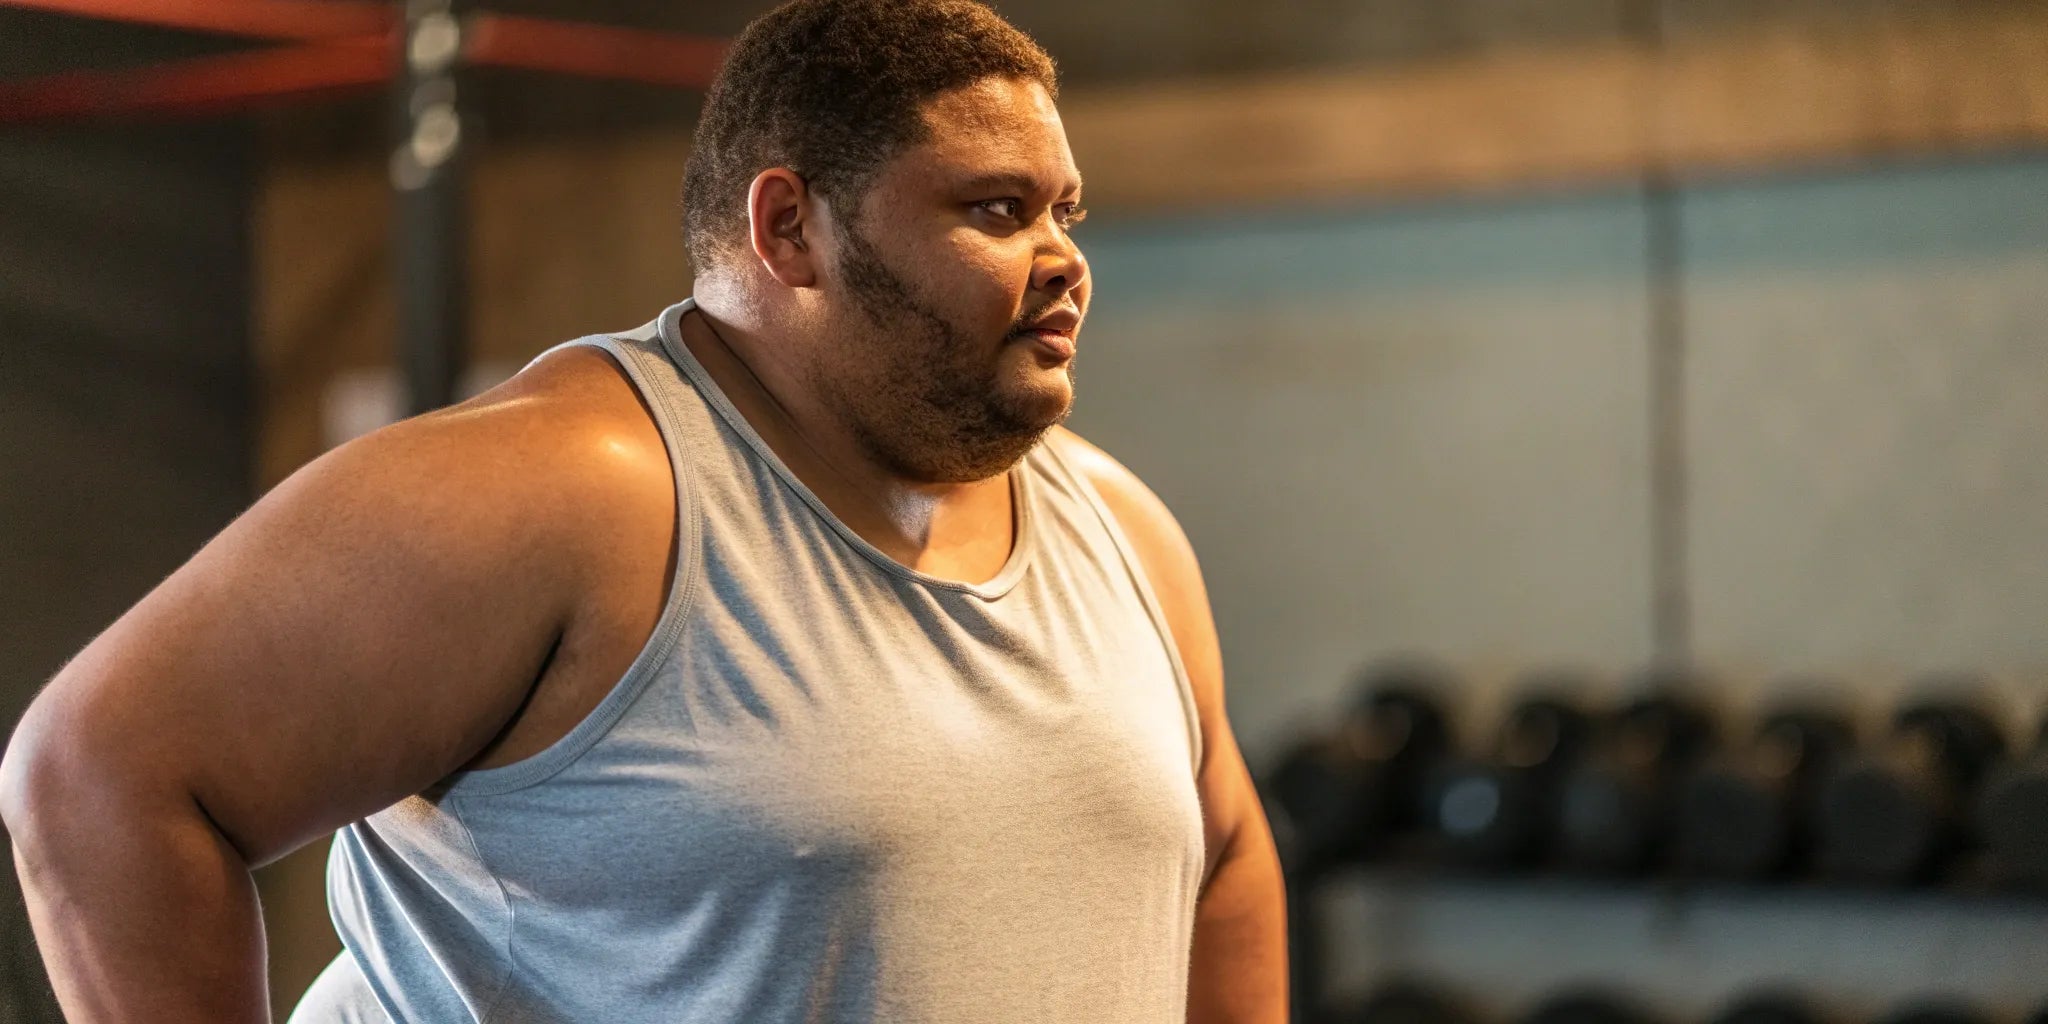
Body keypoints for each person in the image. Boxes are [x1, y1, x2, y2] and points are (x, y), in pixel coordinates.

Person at [0, 0, 1288, 1020]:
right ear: (790, 229)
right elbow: (93, 775)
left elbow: (1225, 851)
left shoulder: (1118, 527)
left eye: (1066, 210)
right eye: (996, 210)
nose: (1066, 260)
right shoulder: (569, 493)